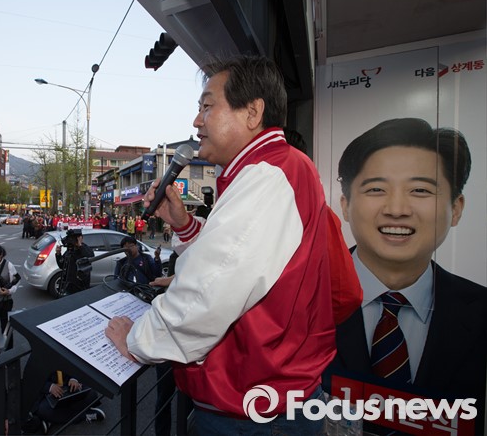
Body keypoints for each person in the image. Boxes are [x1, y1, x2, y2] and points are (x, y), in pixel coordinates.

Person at [106, 55, 343, 434]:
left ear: (252, 113)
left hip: (253, 414)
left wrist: (136, 341)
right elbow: (240, 263)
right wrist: (184, 225)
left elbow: (207, 293)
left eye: (207, 107)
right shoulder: (280, 169)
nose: (196, 121)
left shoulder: (268, 175)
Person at [328, 118, 486, 432]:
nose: (397, 209)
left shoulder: (481, 313)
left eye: (420, 190)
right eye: (376, 189)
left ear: (456, 208)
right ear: (345, 205)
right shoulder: (293, 302)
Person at [30, 370, 105, 431]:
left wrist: (74, 379)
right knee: (43, 410)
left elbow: (76, 365)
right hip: (48, 396)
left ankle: (53, 420)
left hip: (68, 388)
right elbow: (31, 377)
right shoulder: (39, 356)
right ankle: (84, 416)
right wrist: (49, 387)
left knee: (91, 394)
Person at [54, 229, 94, 295]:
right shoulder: (69, 250)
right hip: (69, 286)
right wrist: (58, 254)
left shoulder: (85, 248)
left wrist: (80, 245)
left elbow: (90, 256)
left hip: (81, 286)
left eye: (73, 238)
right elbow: (61, 265)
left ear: (81, 238)